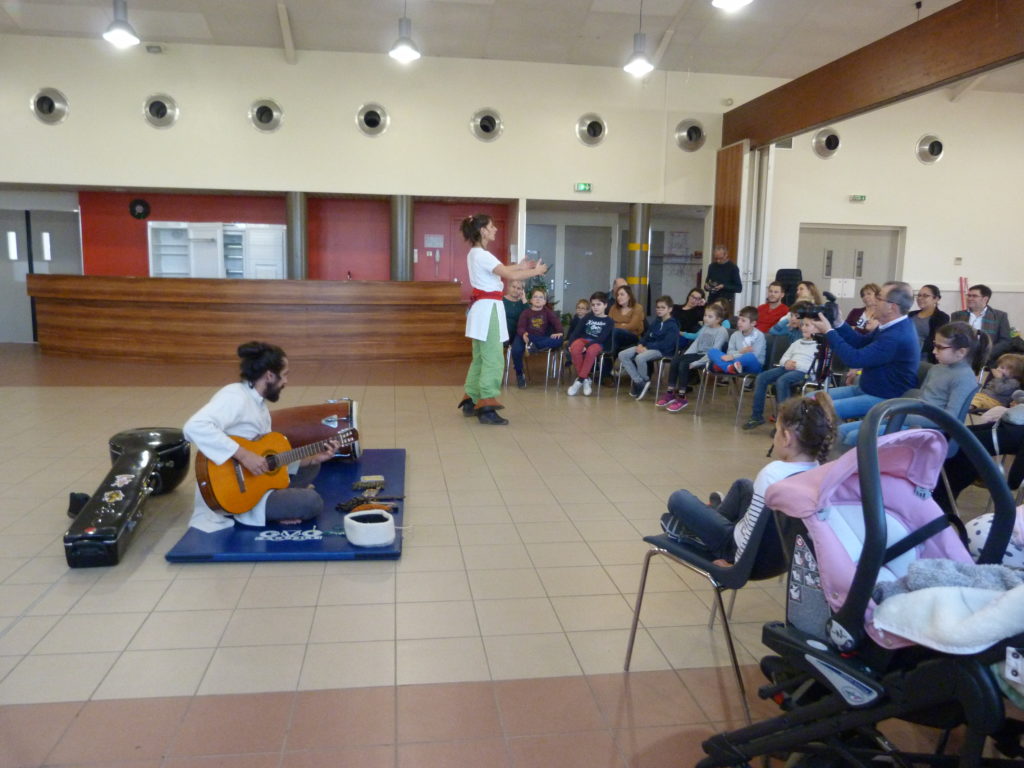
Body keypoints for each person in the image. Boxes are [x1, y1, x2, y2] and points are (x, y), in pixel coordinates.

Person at [659, 392, 836, 563]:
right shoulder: (820, 472)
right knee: (743, 485)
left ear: (787, 438)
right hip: (778, 557)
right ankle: (711, 516)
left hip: (734, 547)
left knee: (679, 498)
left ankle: (700, 531)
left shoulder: (772, 474)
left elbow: (751, 532)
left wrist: (736, 564)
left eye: (776, 431)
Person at [183, 341, 341, 532]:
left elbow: (269, 461)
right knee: (311, 502)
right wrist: (244, 455)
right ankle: (270, 508)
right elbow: (194, 426)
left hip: (257, 483)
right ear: (269, 375)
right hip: (230, 491)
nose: (286, 382)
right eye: (284, 375)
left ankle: (279, 504)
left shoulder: (259, 406)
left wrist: (312, 458)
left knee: (313, 466)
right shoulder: (234, 396)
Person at [836, 321, 989, 446]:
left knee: (854, 437)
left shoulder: (964, 378)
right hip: (911, 420)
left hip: (929, 430)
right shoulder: (937, 369)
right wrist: (899, 414)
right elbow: (921, 401)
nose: (934, 351)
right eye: (935, 345)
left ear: (961, 352)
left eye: (940, 347)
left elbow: (949, 419)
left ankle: (858, 478)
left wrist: (903, 416)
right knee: (842, 430)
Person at [458, 214, 548, 425]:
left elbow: (505, 269)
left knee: (480, 358)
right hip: (488, 310)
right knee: (493, 358)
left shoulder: (476, 253)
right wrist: (536, 271)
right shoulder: (482, 255)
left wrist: (522, 265)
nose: (495, 229)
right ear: (483, 231)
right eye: (491, 226)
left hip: (480, 310)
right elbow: (509, 274)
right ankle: (487, 406)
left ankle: (471, 398)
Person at [805, 281, 921, 421]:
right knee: (807, 400)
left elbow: (854, 359)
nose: (873, 302)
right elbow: (860, 342)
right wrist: (838, 323)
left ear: (892, 307)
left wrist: (829, 331)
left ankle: (827, 439)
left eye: (879, 298)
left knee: (818, 410)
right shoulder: (892, 326)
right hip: (866, 389)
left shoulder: (896, 335)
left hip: (883, 397)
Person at [743, 318, 820, 430]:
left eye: (807, 325)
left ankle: (784, 422)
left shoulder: (820, 346)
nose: (803, 327)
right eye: (803, 325)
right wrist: (787, 362)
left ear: (817, 328)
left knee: (782, 381)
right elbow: (783, 358)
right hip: (788, 368)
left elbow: (817, 367)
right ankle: (756, 416)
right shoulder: (797, 342)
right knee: (761, 377)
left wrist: (796, 365)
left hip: (804, 372)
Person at [656, 302, 729, 412]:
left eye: (710, 316)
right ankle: (670, 393)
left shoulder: (722, 331)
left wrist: (696, 363)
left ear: (718, 319)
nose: (706, 319)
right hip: (697, 354)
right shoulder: (705, 327)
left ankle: (682, 397)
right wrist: (685, 355)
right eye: (705, 315)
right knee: (676, 360)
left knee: (684, 364)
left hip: (708, 357)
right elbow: (696, 344)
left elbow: (715, 351)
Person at [618, 295, 680, 401]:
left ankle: (645, 380)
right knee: (622, 355)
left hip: (662, 351)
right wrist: (640, 344)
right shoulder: (656, 321)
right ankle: (640, 382)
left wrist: (647, 348)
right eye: (657, 307)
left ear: (670, 309)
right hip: (647, 347)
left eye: (662, 307)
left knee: (640, 358)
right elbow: (646, 335)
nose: (659, 310)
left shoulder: (673, 325)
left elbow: (667, 344)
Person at [510, 286, 564, 388]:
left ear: (544, 301)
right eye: (535, 297)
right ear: (531, 300)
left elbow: (557, 323)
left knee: (559, 340)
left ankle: (532, 345)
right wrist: (524, 334)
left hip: (538, 338)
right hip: (523, 336)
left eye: (541, 297)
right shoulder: (526, 312)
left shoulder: (547, 312)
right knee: (516, 350)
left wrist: (560, 332)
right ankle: (519, 374)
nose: (538, 299)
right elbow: (520, 327)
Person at [566, 291, 614, 396]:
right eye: (593, 305)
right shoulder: (587, 317)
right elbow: (576, 332)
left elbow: (602, 338)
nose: (595, 307)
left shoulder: (609, 321)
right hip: (584, 340)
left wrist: (587, 346)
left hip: (598, 343)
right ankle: (586, 379)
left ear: (605, 305)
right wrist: (570, 344)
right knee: (575, 347)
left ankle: (579, 381)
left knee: (591, 351)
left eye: (598, 304)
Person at [950, 284, 1013, 362]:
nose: (969, 298)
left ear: (985, 299)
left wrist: (986, 354)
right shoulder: (957, 316)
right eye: (968, 295)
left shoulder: (1000, 316)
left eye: (974, 296)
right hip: (962, 358)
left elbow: (1005, 341)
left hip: (989, 360)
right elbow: (951, 337)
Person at [707, 305, 766, 375]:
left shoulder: (759, 335)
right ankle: (730, 367)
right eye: (739, 319)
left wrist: (733, 356)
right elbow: (729, 352)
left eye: (743, 320)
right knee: (712, 351)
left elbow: (755, 356)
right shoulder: (735, 335)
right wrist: (740, 352)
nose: (739, 322)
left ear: (753, 323)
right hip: (734, 362)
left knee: (749, 356)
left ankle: (725, 366)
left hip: (753, 366)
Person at [908, 284, 950, 364]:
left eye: (925, 296)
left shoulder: (941, 317)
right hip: (906, 352)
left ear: (936, 299)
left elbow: (936, 340)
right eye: (919, 295)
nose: (920, 298)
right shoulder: (911, 315)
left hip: (925, 356)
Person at [703, 245, 742, 312]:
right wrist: (707, 286)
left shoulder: (733, 268)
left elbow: (739, 288)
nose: (718, 261)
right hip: (712, 299)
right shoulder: (712, 266)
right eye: (716, 258)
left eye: (720, 258)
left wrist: (723, 286)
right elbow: (707, 282)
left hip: (725, 301)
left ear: (726, 255)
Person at [609, 284, 645, 352]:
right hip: (616, 336)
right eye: (617, 295)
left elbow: (633, 326)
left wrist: (616, 325)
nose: (619, 297)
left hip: (632, 336)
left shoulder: (637, 307)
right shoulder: (613, 308)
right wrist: (623, 325)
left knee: (616, 331)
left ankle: (610, 354)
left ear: (629, 296)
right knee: (612, 333)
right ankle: (609, 357)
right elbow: (608, 324)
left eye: (622, 294)